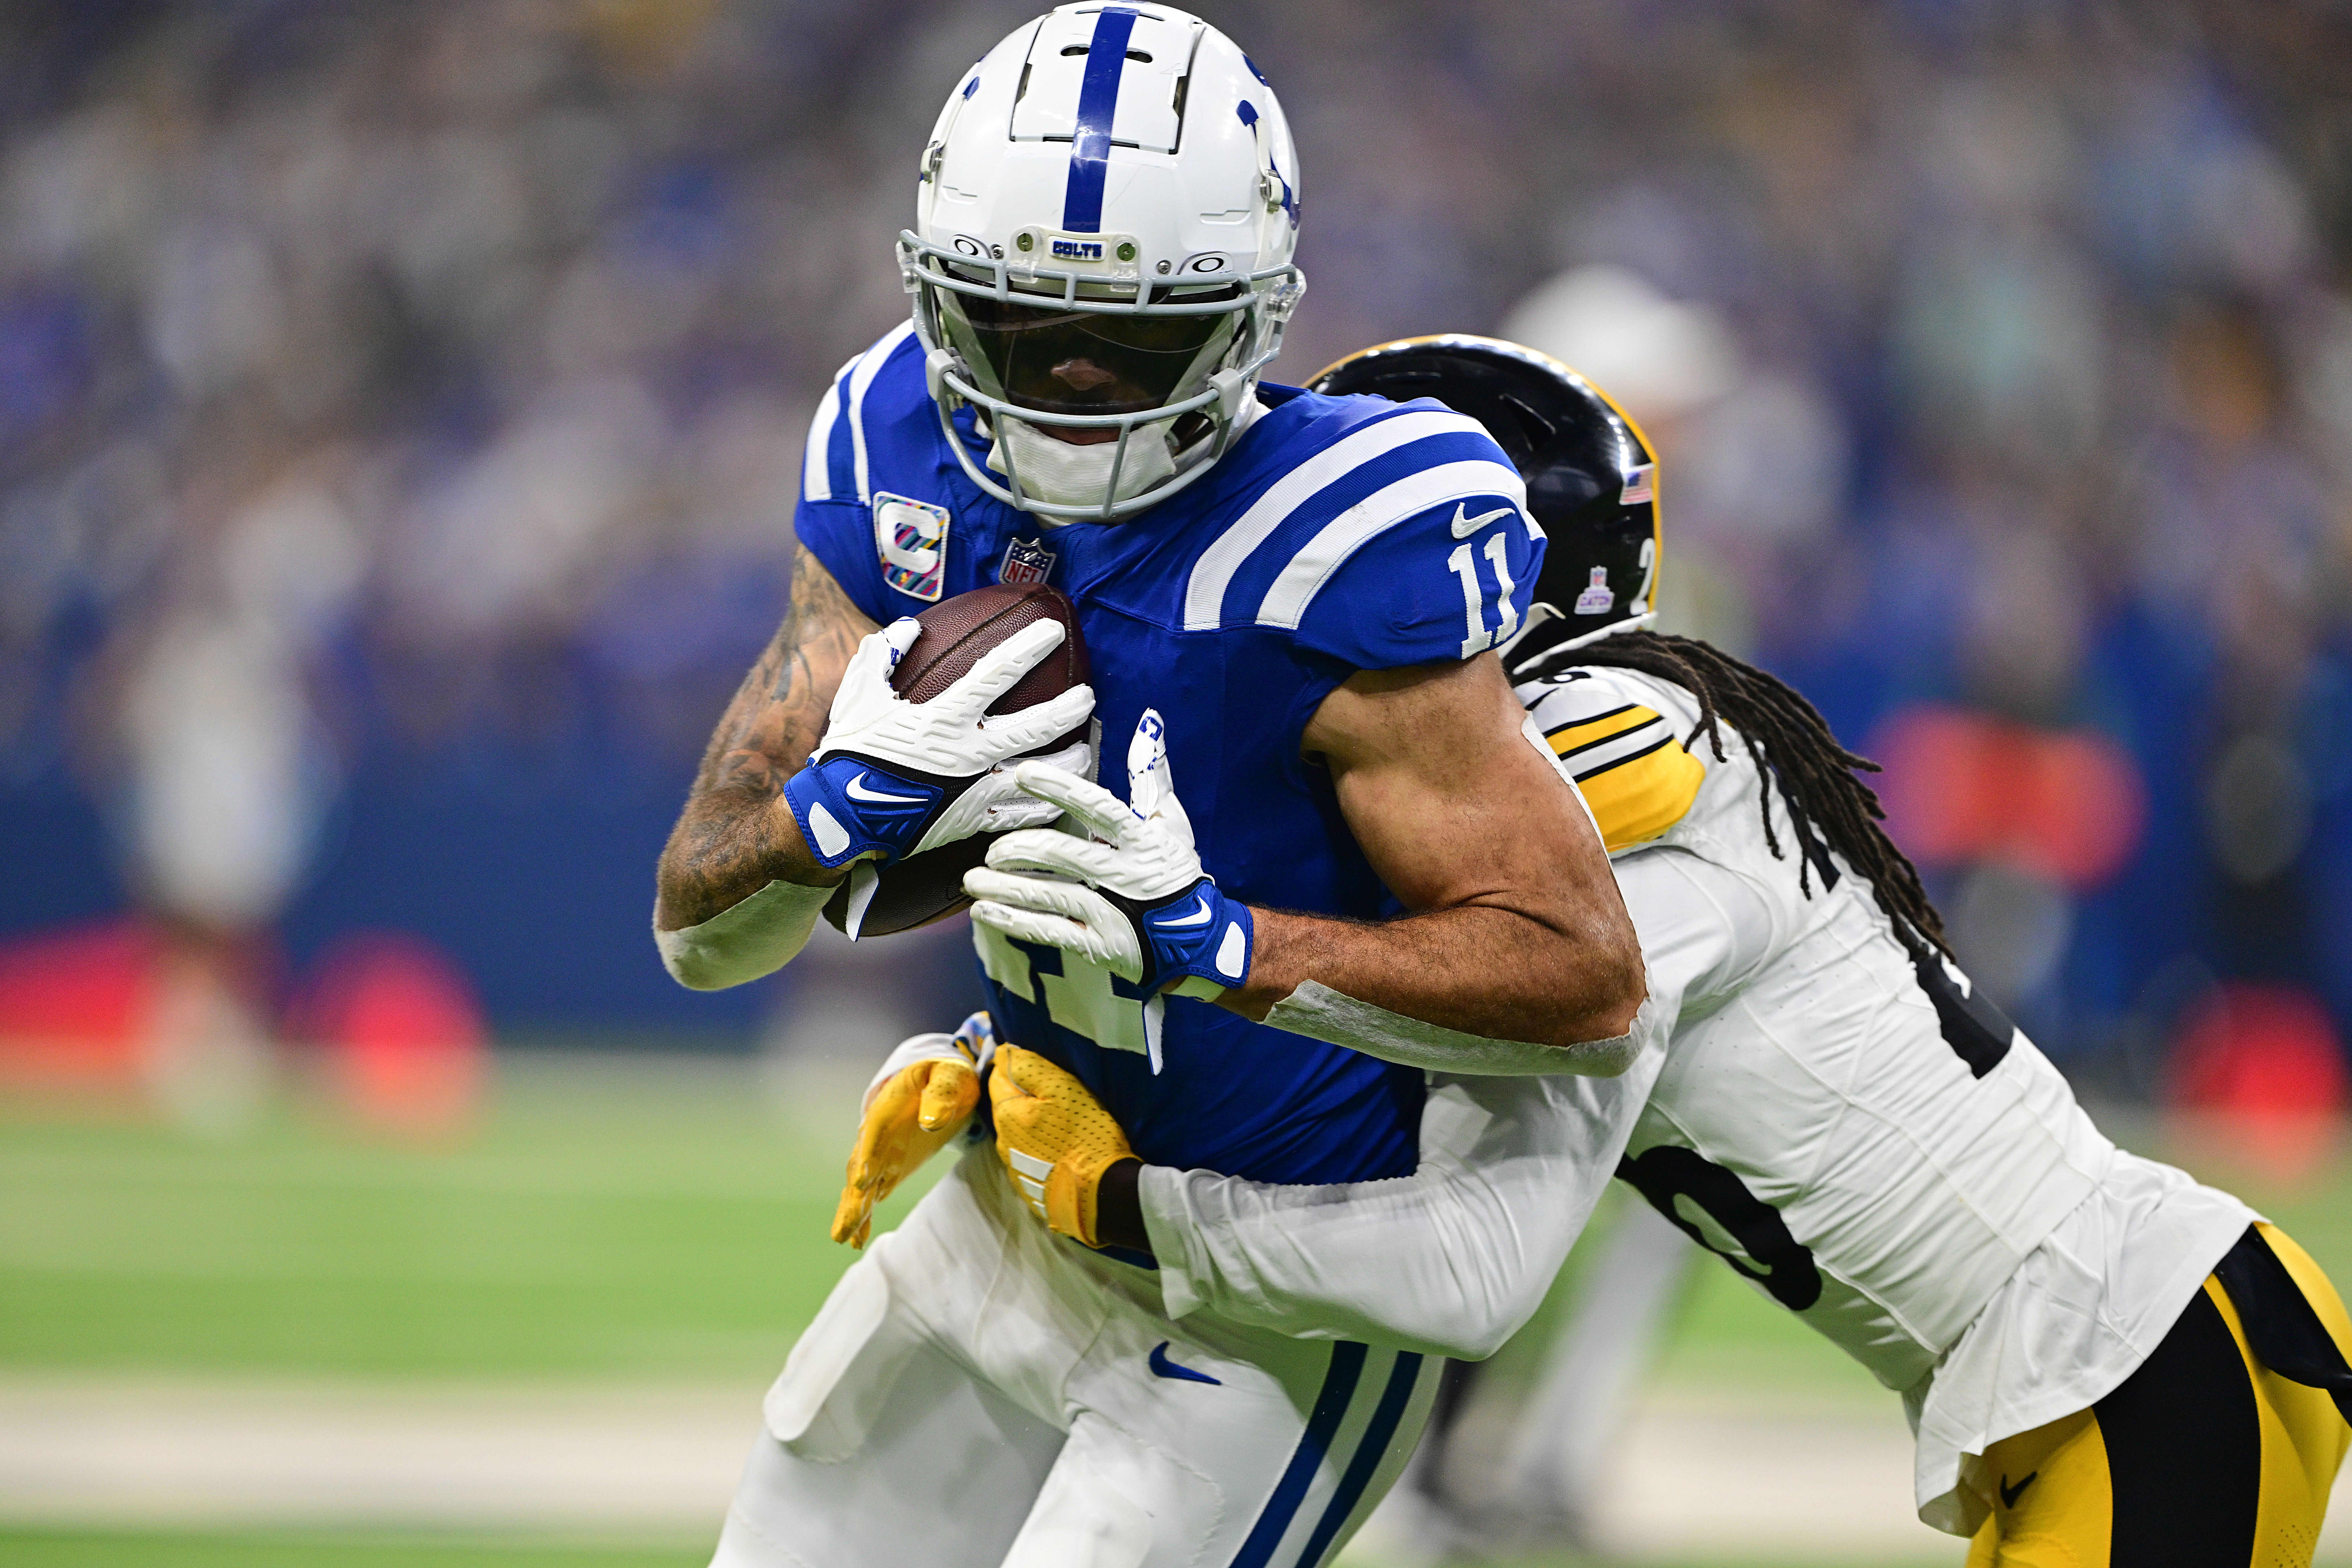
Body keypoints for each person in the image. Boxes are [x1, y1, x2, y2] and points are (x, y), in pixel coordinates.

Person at [865, 336, 2352, 1567]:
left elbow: (1465, 1270)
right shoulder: (1578, 781)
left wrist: (1124, 1202)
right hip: (2120, 1373)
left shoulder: (1613, 768)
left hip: (2134, 1367)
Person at [649, 12, 1645, 1564]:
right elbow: (699, 930)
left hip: (1278, 1289)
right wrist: (841, 808)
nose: (1072, 383)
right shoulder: (888, 441)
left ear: (1253, 319)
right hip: (1011, 1210)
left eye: (1135, 336)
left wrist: (1229, 944)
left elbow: (1585, 979)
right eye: (1018, 323)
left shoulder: (1343, 526)